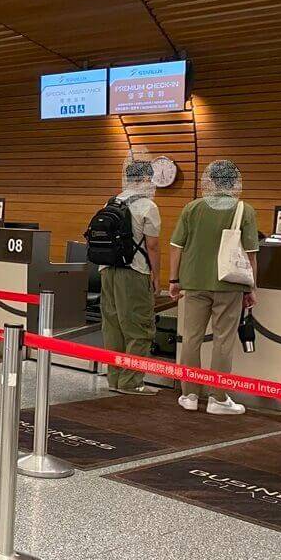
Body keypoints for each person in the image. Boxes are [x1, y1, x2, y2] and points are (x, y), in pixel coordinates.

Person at [170, 160, 259, 415]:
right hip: (229, 284)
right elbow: (251, 255)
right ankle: (217, 398)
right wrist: (251, 288)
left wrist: (174, 280)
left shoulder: (192, 208)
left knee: (191, 338)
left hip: (194, 282)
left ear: (210, 180)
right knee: (223, 341)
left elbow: (176, 246)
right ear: (234, 182)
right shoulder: (244, 210)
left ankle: (189, 395)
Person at [98, 160, 161, 396]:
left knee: (112, 326)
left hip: (107, 270)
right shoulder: (148, 206)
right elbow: (152, 246)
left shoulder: (111, 202)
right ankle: (132, 382)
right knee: (139, 328)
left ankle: (114, 379)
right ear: (145, 179)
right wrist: (157, 276)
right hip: (134, 272)